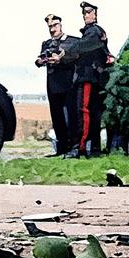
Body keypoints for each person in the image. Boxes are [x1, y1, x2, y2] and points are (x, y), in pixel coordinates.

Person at [59, 1, 111, 159]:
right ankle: (94, 149)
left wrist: (65, 51)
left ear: (95, 14)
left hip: (89, 77)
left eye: (89, 12)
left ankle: (79, 148)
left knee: (84, 113)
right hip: (91, 77)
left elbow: (83, 46)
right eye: (84, 13)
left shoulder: (94, 31)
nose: (86, 15)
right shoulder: (91, 32)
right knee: (92, 114)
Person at [35, 14, 79, 156]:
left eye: (55, 25)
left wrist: (62, 59)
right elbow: (40, 58)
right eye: (50, 27)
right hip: (53, 85)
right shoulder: (47, 43)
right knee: (57, 117)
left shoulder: (72, 41)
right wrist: (41, 61)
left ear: (60, 25)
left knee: (70, 117)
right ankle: (61, 149)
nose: (52, 29)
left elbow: (76, 56)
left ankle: (74, 148)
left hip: (68, 84)